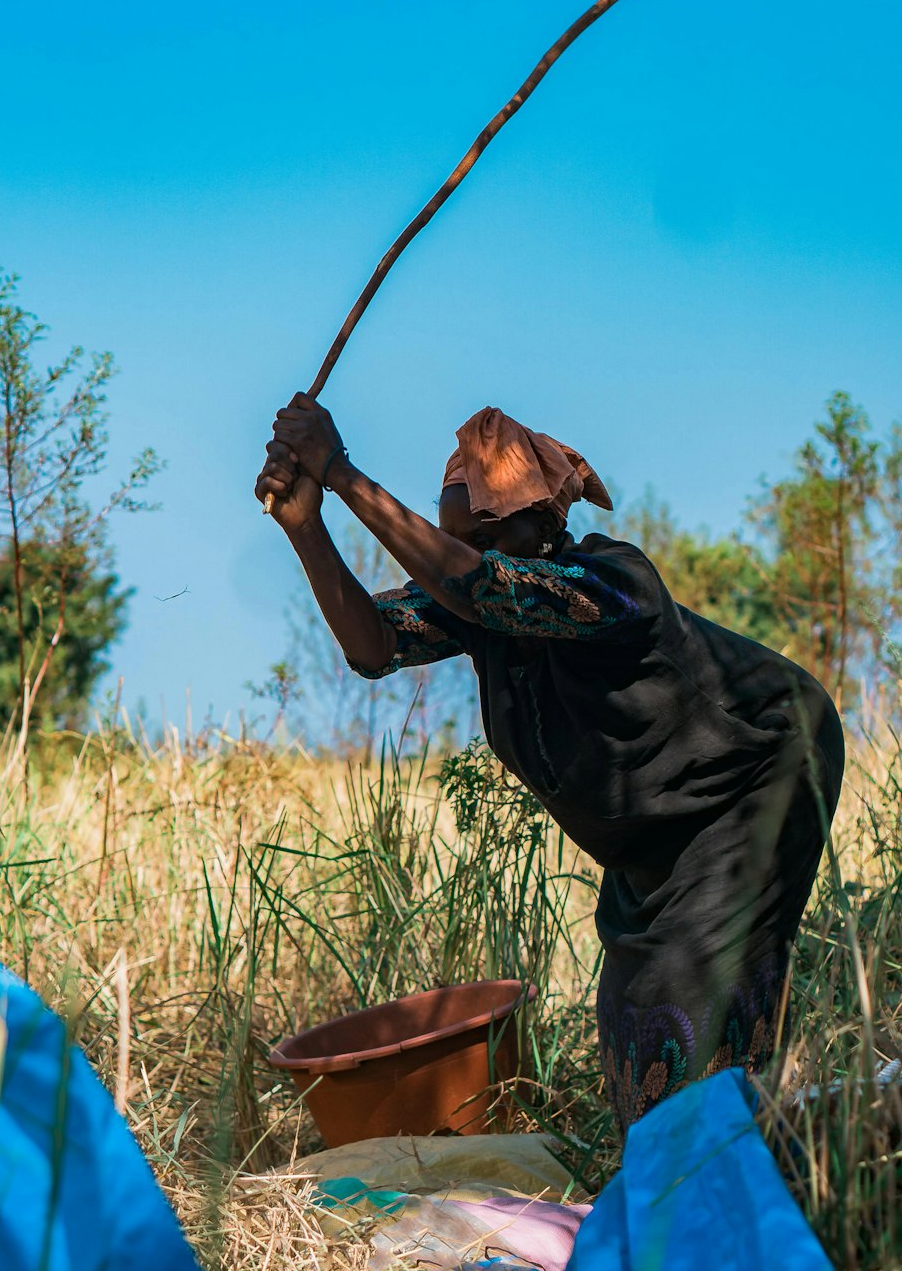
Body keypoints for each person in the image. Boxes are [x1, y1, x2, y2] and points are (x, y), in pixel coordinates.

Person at [256, 397, 844, 1131]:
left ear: (543, 525)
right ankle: (771, 1146)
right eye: (455, 536)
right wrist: (306, 525)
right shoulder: (479, 612)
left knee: (696, 1010)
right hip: (657, 837)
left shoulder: (611, 583)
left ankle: (793, 1162)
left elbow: (477, 584)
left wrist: (340, 473)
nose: (462, 552)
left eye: (482, 534)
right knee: (639, 1032)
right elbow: (374, 645)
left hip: (760, 777)